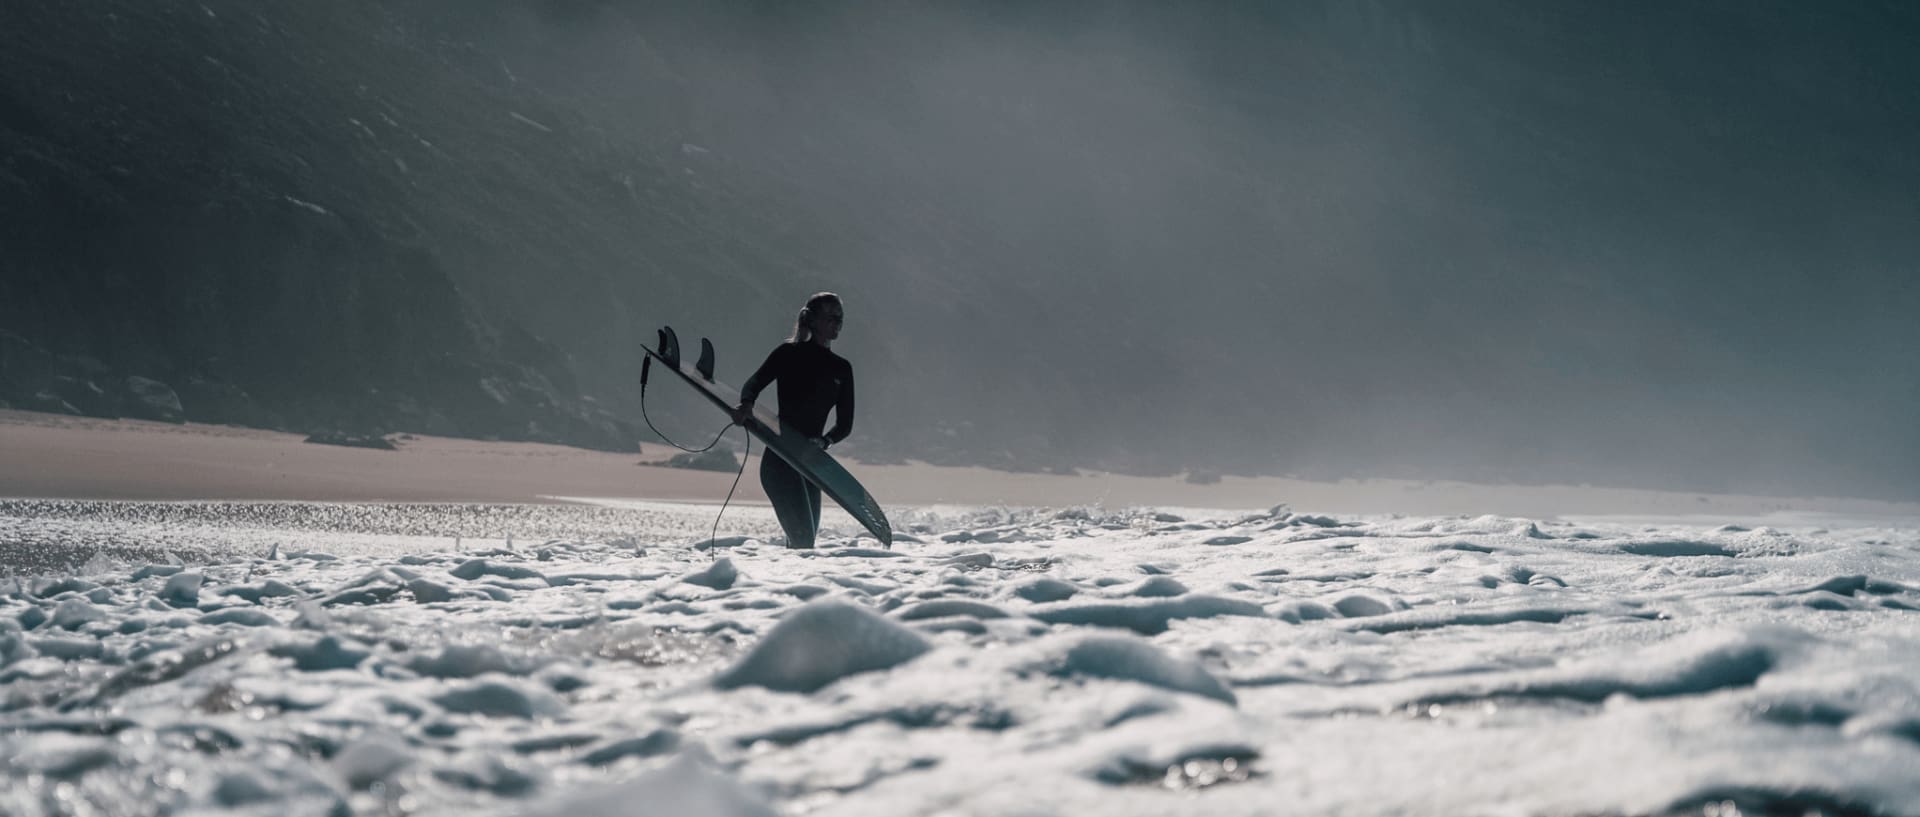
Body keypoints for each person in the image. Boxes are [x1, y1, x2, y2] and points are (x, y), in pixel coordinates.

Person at [732, 292, 854, 549]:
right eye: (830, 316)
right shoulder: (788, 354)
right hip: (780, 461)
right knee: (804, 543)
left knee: (802, 546)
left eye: (840, 317)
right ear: (812, 319)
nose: (837, 322)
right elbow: (753, 384)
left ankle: (781, 587)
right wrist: (746, 406)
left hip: (811, 466)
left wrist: (824, 441)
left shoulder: (842, 368)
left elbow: (845, 425)